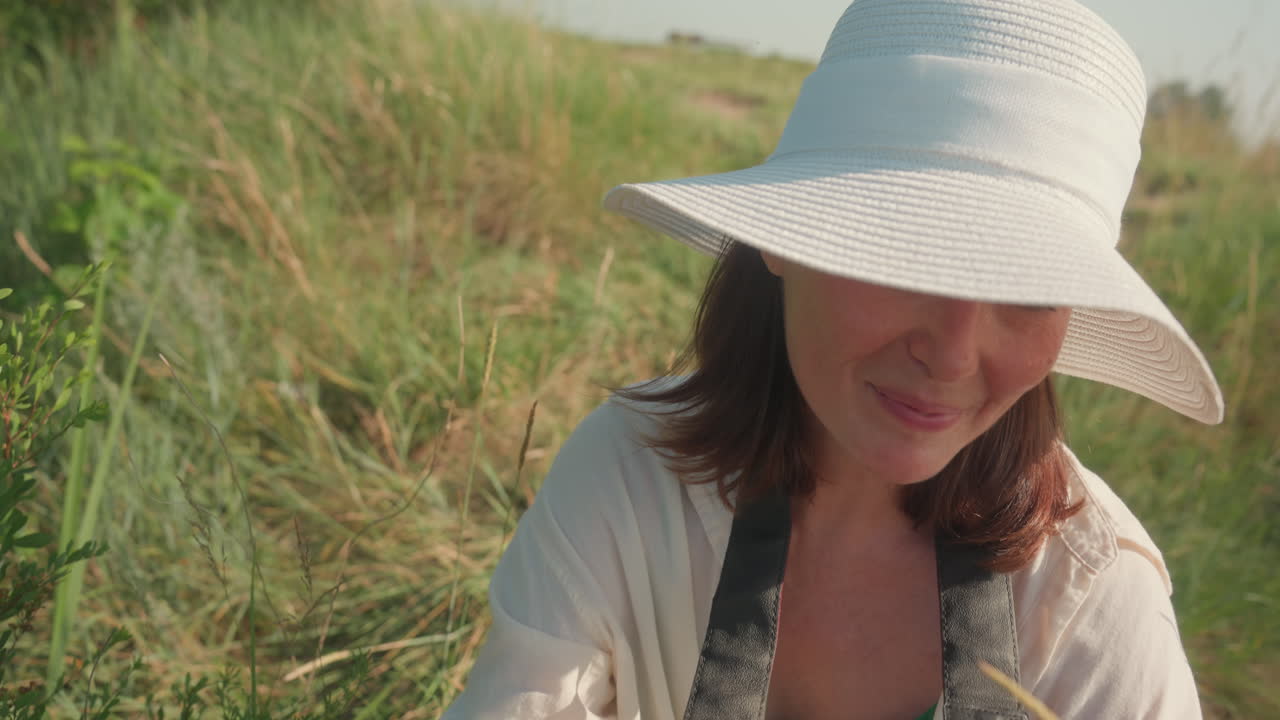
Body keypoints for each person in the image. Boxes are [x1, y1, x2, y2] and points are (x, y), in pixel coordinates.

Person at [442, 0, 1224, 718]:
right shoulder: (628, 483)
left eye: (1030, 291)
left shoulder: (1097, 602)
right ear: (784, 243)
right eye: (909, 253)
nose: (952, 355)